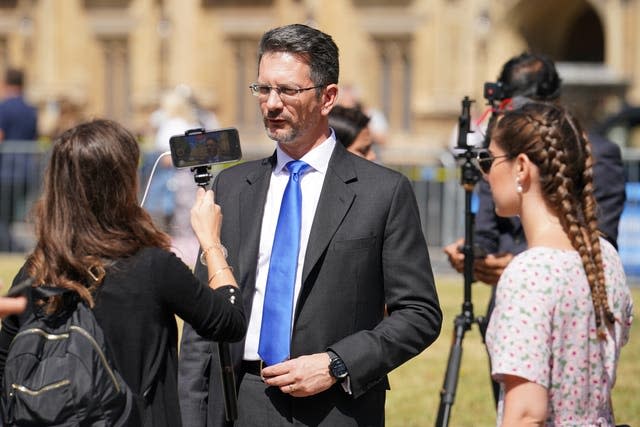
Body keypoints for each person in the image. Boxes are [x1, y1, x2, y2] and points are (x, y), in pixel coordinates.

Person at [178, 23, 442, 427]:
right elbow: (205, 319)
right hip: (238, 401)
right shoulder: (232, 187)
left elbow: (419, 313)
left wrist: (337, 363)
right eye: (263, 89)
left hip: (335, 407)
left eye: (287, 90)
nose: (271, 103)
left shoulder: (382, 192)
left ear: (327, 97)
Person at [0, 119, 246, 426]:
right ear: (124, 183)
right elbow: (229, 322)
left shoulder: (36, 269)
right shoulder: (153, 266)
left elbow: (6, 365)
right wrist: (211, 242)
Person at [481, 102, 633, 426]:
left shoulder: (529, 274)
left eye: (488, 160)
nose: (485, 174)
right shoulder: (604, 256)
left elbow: (525, 415)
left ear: (520, 167)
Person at [0, 68, 38, 252]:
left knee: (2, 219)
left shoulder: (4, 107)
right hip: (27, 170)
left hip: (6, 171)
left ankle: (11, 249)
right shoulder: (31, 109)